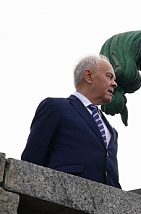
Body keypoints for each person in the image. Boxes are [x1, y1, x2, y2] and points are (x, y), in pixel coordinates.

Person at [21, 54, 120, 188]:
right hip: (64, 194)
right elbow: (31, 161)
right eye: (109, 76)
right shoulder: (56, 107)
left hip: (107, 198)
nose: (114, 83)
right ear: (89, 76)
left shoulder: (111, 130)